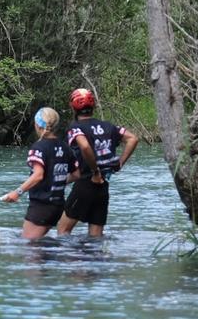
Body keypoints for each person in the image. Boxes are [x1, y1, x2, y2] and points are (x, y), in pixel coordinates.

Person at [57, 88, 140, 237]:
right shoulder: (108, 126)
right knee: (96, 236)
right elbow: (132, 138)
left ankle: (70, 260)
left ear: (73, 107)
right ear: (93, 106)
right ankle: (97, 260)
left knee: (63, 230)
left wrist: (95, 171)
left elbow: (84, 146)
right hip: (103, 187)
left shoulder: (75, 127)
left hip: (86, 183)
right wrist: (120, 162)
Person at [0, 106, 75, 240]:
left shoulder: (38, 148)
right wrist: (57, 180)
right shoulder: (65, 147)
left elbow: (38, 175)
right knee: (38, 246)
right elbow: (78, 173)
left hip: (41, 205)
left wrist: (17, 193)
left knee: (30, 248)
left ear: (37, 125)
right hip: (58, 205)